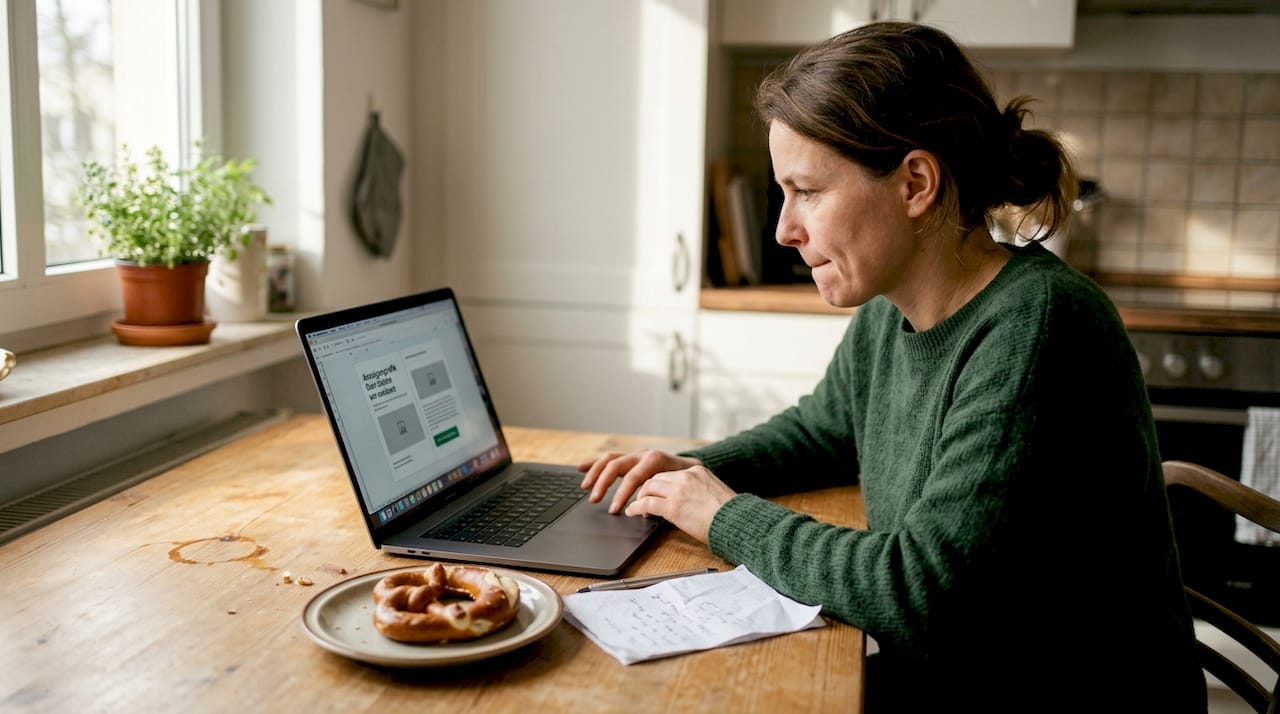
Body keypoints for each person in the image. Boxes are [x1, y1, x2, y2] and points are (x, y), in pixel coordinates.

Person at [579, 21, 1206, 713]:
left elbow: (915, 590)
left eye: (807, 191)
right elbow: (821, 433)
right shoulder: (893, 308)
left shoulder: (1040, 325)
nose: (785, 229)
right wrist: (685, 471)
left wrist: (721, 514)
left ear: (914, 183)